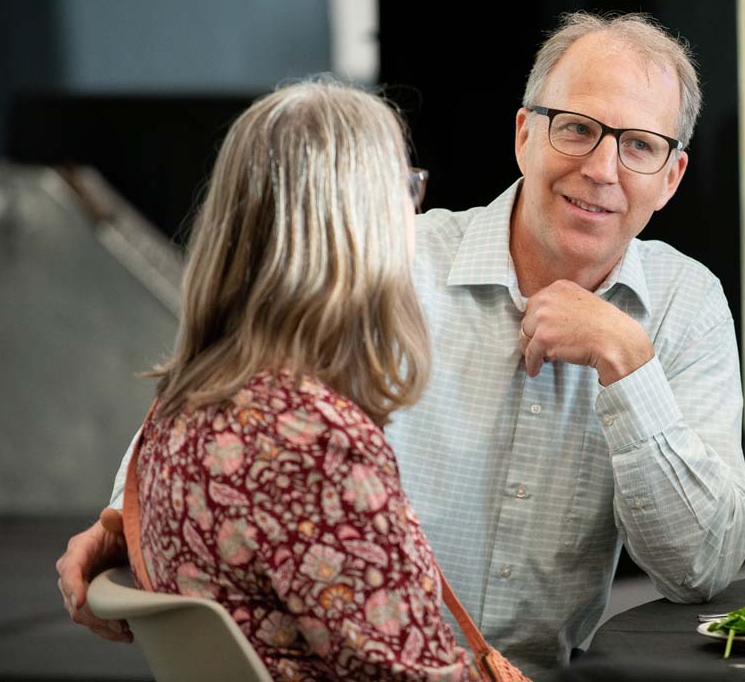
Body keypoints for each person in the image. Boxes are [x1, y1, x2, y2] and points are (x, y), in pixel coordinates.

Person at [59, 13, 745, 676]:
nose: (602, 168)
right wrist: (127, 516)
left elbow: (699, 568)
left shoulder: (683, 305)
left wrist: (627, 365)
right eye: (576, 129)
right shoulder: (387, 256)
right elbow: (229, 407)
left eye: (638, 146)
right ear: (523, 136)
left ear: (671, 177)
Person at [102, 80, 474, 681]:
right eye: (405, 187)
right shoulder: (314, 440)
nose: (415, 210)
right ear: (354, 222)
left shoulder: (179, 407)